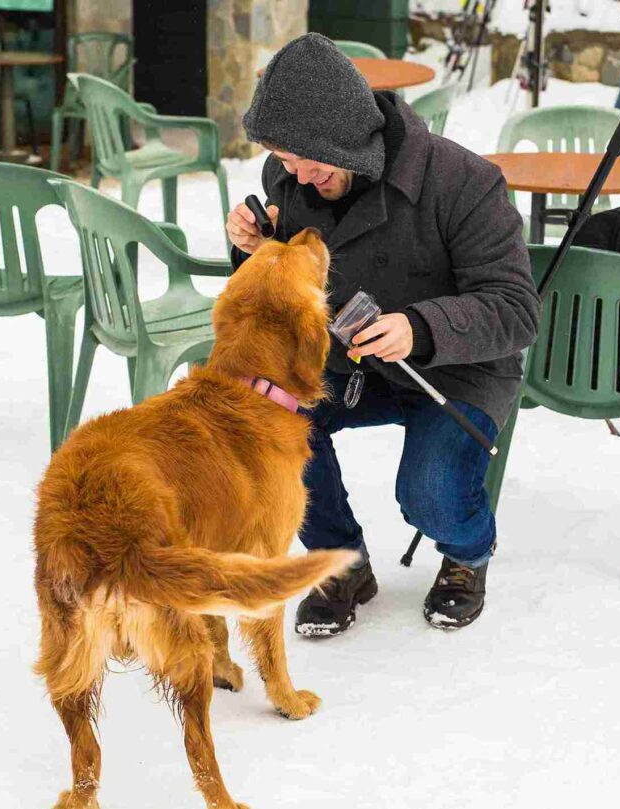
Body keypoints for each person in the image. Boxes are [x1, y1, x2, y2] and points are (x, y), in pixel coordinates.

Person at [226, 33, 540, 633]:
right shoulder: (290, 177)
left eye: (308, 162)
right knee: (273, 430)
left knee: (428, 494)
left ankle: (466, 555)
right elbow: (284, 283)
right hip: (345, 363)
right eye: (285, 161)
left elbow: (515, 309)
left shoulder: (464, 183)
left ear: (349, 138)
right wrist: (252, 248)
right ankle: (342, 565)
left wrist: (418, 327)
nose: (294, 175)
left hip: (453, 368)